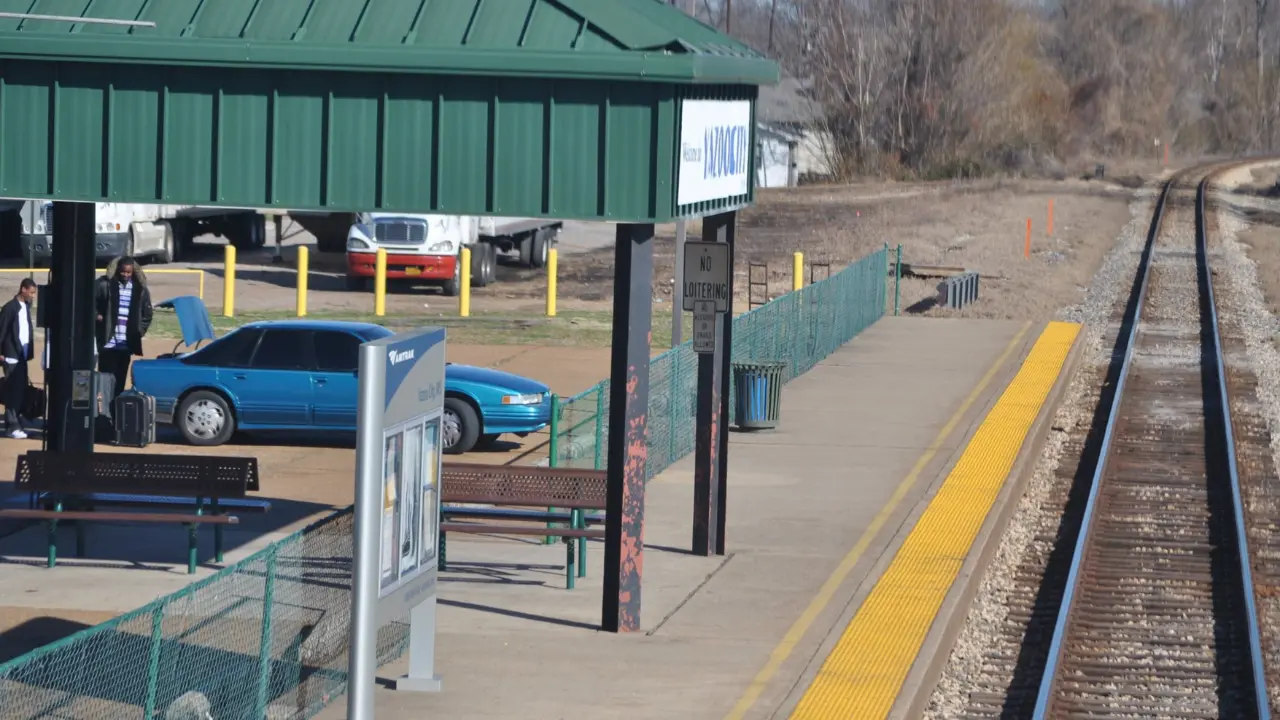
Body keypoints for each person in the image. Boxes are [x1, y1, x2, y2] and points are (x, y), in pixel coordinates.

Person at [95, 256, 153, 393]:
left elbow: (147, 315)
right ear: (117, 270)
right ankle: (104, 412)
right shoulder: (104, 284)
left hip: (126, 345)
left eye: (128, 273)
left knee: (119, 382)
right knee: (104, 382)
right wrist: (97, 316)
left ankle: (115, 412)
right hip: (107, 343)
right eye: (123, 272)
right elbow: (89, 302)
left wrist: (139, 331)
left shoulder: (140, 290)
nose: (125, 275)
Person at [0, 279, 36, 439]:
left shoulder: (26, 307)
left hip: (21, 356)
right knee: (12, 392)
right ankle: (11, 426)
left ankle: (17, 421)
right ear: (23, 290)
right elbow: (2, 330)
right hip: (11, 356)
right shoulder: (10, 308)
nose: (33, 296)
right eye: (31, 292)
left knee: (20, 390)